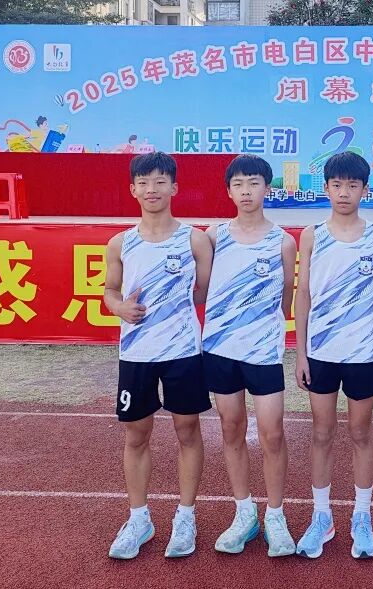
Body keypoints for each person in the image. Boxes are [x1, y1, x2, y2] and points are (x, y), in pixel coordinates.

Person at [103, 152, 214, 560]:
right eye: (144, 182)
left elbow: (203, 293)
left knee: (188, 430)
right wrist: (119, 307)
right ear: (133, 189)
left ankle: (186, 516)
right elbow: (109, 291)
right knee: (136, 434)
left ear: (174, 187)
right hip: (136, 354)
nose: (152, 189)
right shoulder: (120, 242)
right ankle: (139, 519)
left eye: (160, 181)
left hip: (184, 352)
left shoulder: (194, 240)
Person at [294, 151, 373, 559]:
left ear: (364, 189)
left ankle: (361, 516)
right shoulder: (312, 234)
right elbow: (303, 293)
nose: (344, 192)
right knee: (321, 432)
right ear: (327, 188)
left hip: (362, 353)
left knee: (361, 433)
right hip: (321, 351)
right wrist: (301, 352)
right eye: (337, 185)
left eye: (353, 185)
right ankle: (322, 516)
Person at [202, 155, 298, 557]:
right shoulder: (212, 237)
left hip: (263, 352)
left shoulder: (283, 241)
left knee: (273, 432)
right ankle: (244, 513)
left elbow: (287, 297)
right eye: (239, 184)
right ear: (228, 191)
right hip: (220, 350)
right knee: (231, 428)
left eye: (254, 183)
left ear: (267, 189)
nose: (246, 191)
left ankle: (275, 515)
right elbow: (201, 288)